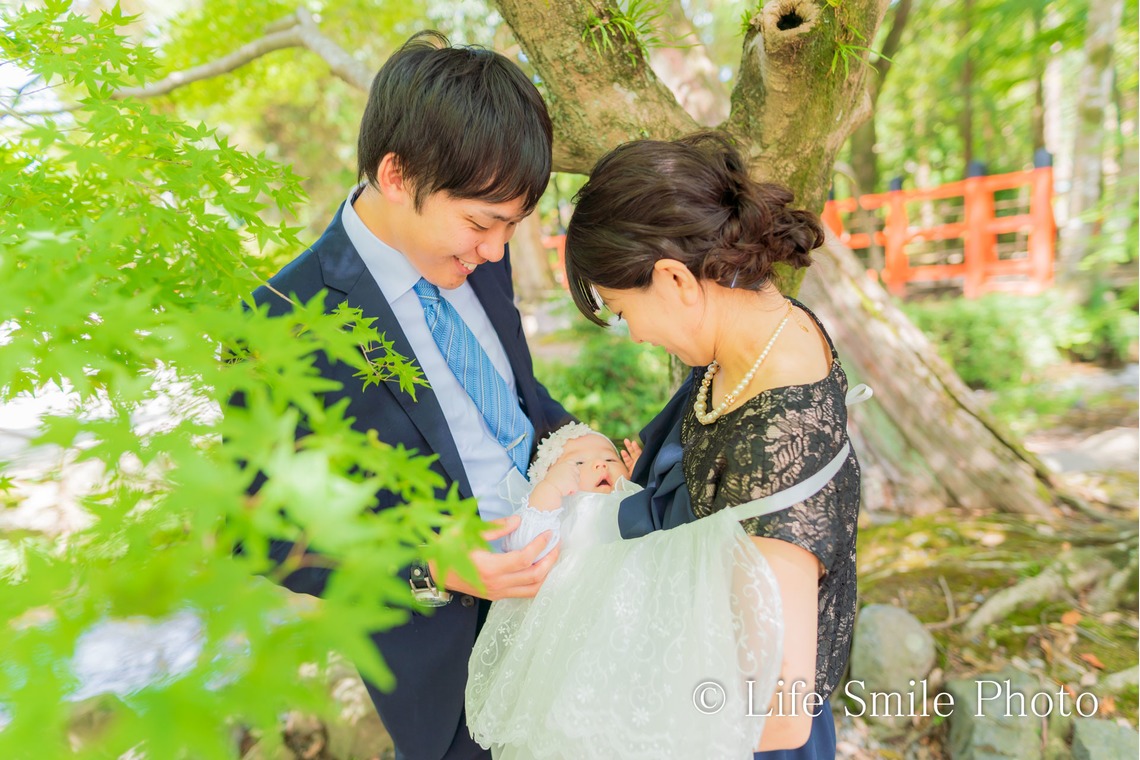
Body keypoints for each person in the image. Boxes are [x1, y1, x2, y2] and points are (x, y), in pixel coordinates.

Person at [249, 32, 571, 760]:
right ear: (396, 174)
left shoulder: (476, 260)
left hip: (571, 597)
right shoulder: (278, 319)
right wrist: (432, 565)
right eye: (483, 223)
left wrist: (575, 437)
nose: (495, 250)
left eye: (510, 228)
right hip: (451, 678)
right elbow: (259, 533)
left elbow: (512, 402)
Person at [556, 132, 864, 759]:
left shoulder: (778, 442)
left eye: (622, 311)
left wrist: (612, 712)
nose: (635, 334)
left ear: (674, 279)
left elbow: (779, 711)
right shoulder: (755, 335)